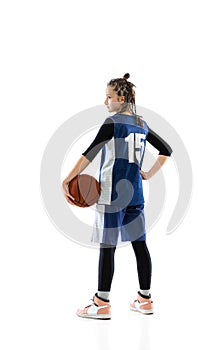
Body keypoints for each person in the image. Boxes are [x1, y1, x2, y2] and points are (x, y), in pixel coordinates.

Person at [62, 73, 172, 320]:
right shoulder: (142, 124)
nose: (105, 102)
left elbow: (89, 153)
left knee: (107, 247)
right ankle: (145, 300)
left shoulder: (112, 122)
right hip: (135, 194)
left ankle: (101, 303)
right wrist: (149, 174)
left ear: (120, 98)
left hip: (112, 195)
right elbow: (166, 150)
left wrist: (67, 179)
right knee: (140, 246)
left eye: (108, 97)